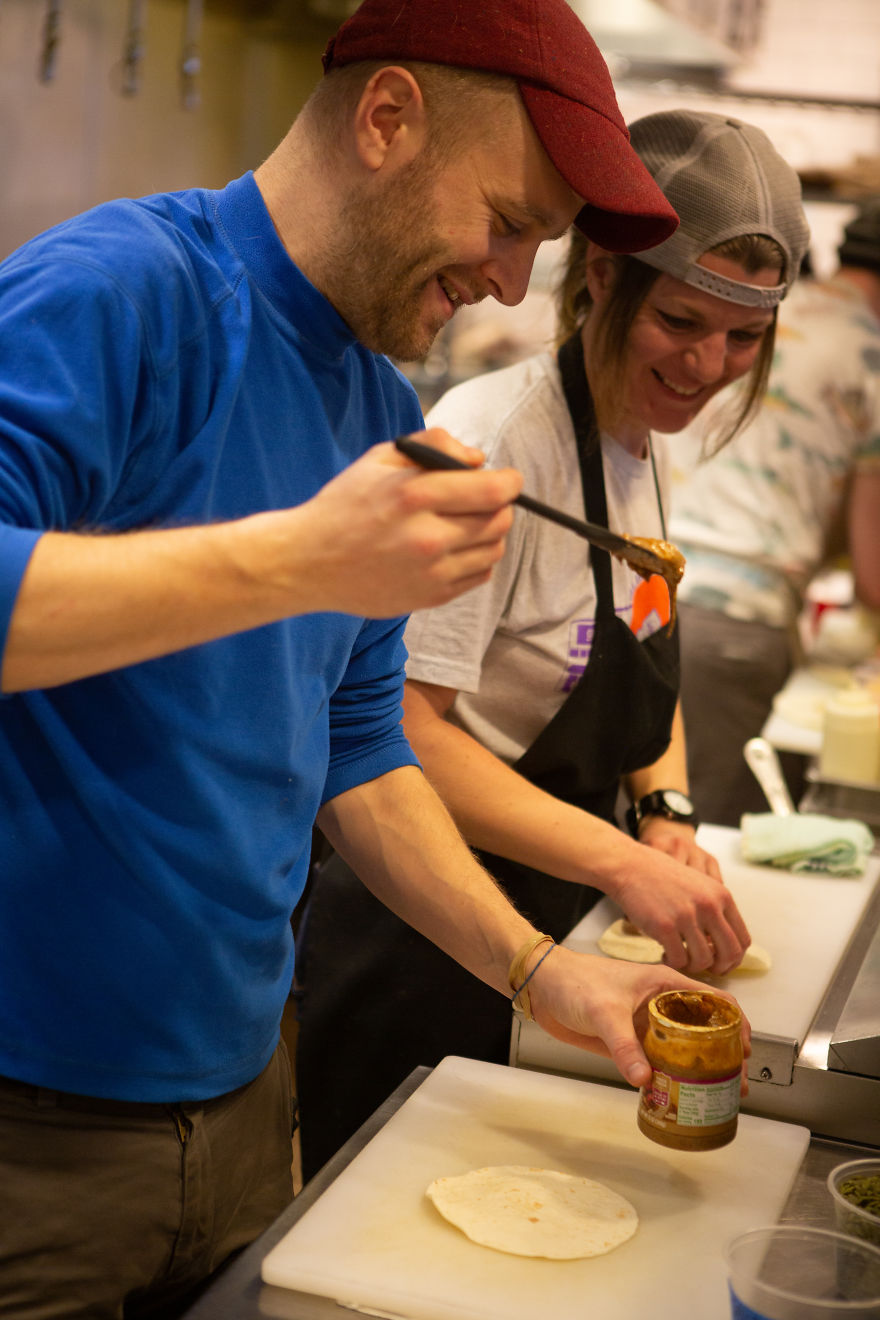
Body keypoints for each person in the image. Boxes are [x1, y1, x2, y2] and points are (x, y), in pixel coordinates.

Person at [0, 0, 755, 1315]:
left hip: (245, 1100)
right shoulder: (119, 294)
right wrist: (300, 557)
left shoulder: (369, 401)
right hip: (37, 1127)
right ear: (388, 117)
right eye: (508, 222)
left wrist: (541, 968)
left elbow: (362, 752)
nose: (513, 284)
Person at [294, 109, 809, 1182]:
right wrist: (618, 856)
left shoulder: (634, 441)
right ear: (602, 282)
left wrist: (663, 813)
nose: (709, 363)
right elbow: (400, 730)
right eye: (681, 320)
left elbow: (643, 645)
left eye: (744, 338)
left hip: (550, 916)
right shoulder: (494, 447)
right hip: (421, 929)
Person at [670, 196, 880, 827]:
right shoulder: (869, 357)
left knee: (639, 816)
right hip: (737, 624)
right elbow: (873, 572)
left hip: (647, 585)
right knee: (698, 837)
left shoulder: (761, 314)